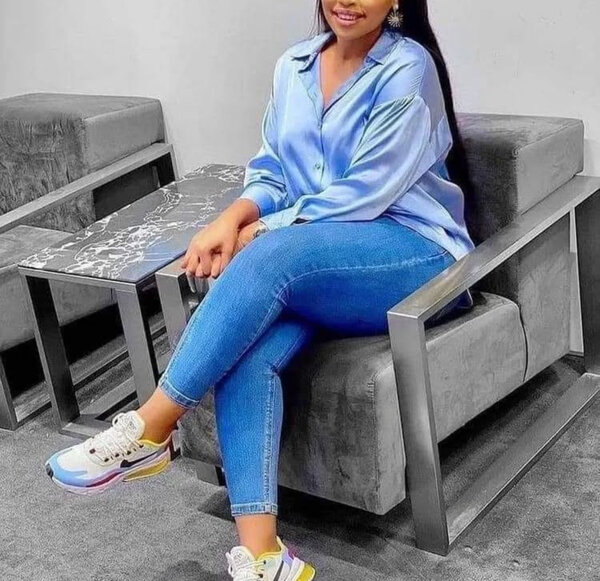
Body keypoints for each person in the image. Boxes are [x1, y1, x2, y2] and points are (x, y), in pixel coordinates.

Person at [44, 1, 476, 579]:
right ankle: (263, 555)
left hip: (412, 252)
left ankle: (153, 425)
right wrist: (232, 218)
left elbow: (367, 190)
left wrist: (265, 233)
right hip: (316, 260)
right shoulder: (294, 66)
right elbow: (272, 171)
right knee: (248, 348)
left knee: (270, 255)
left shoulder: (407, 67)